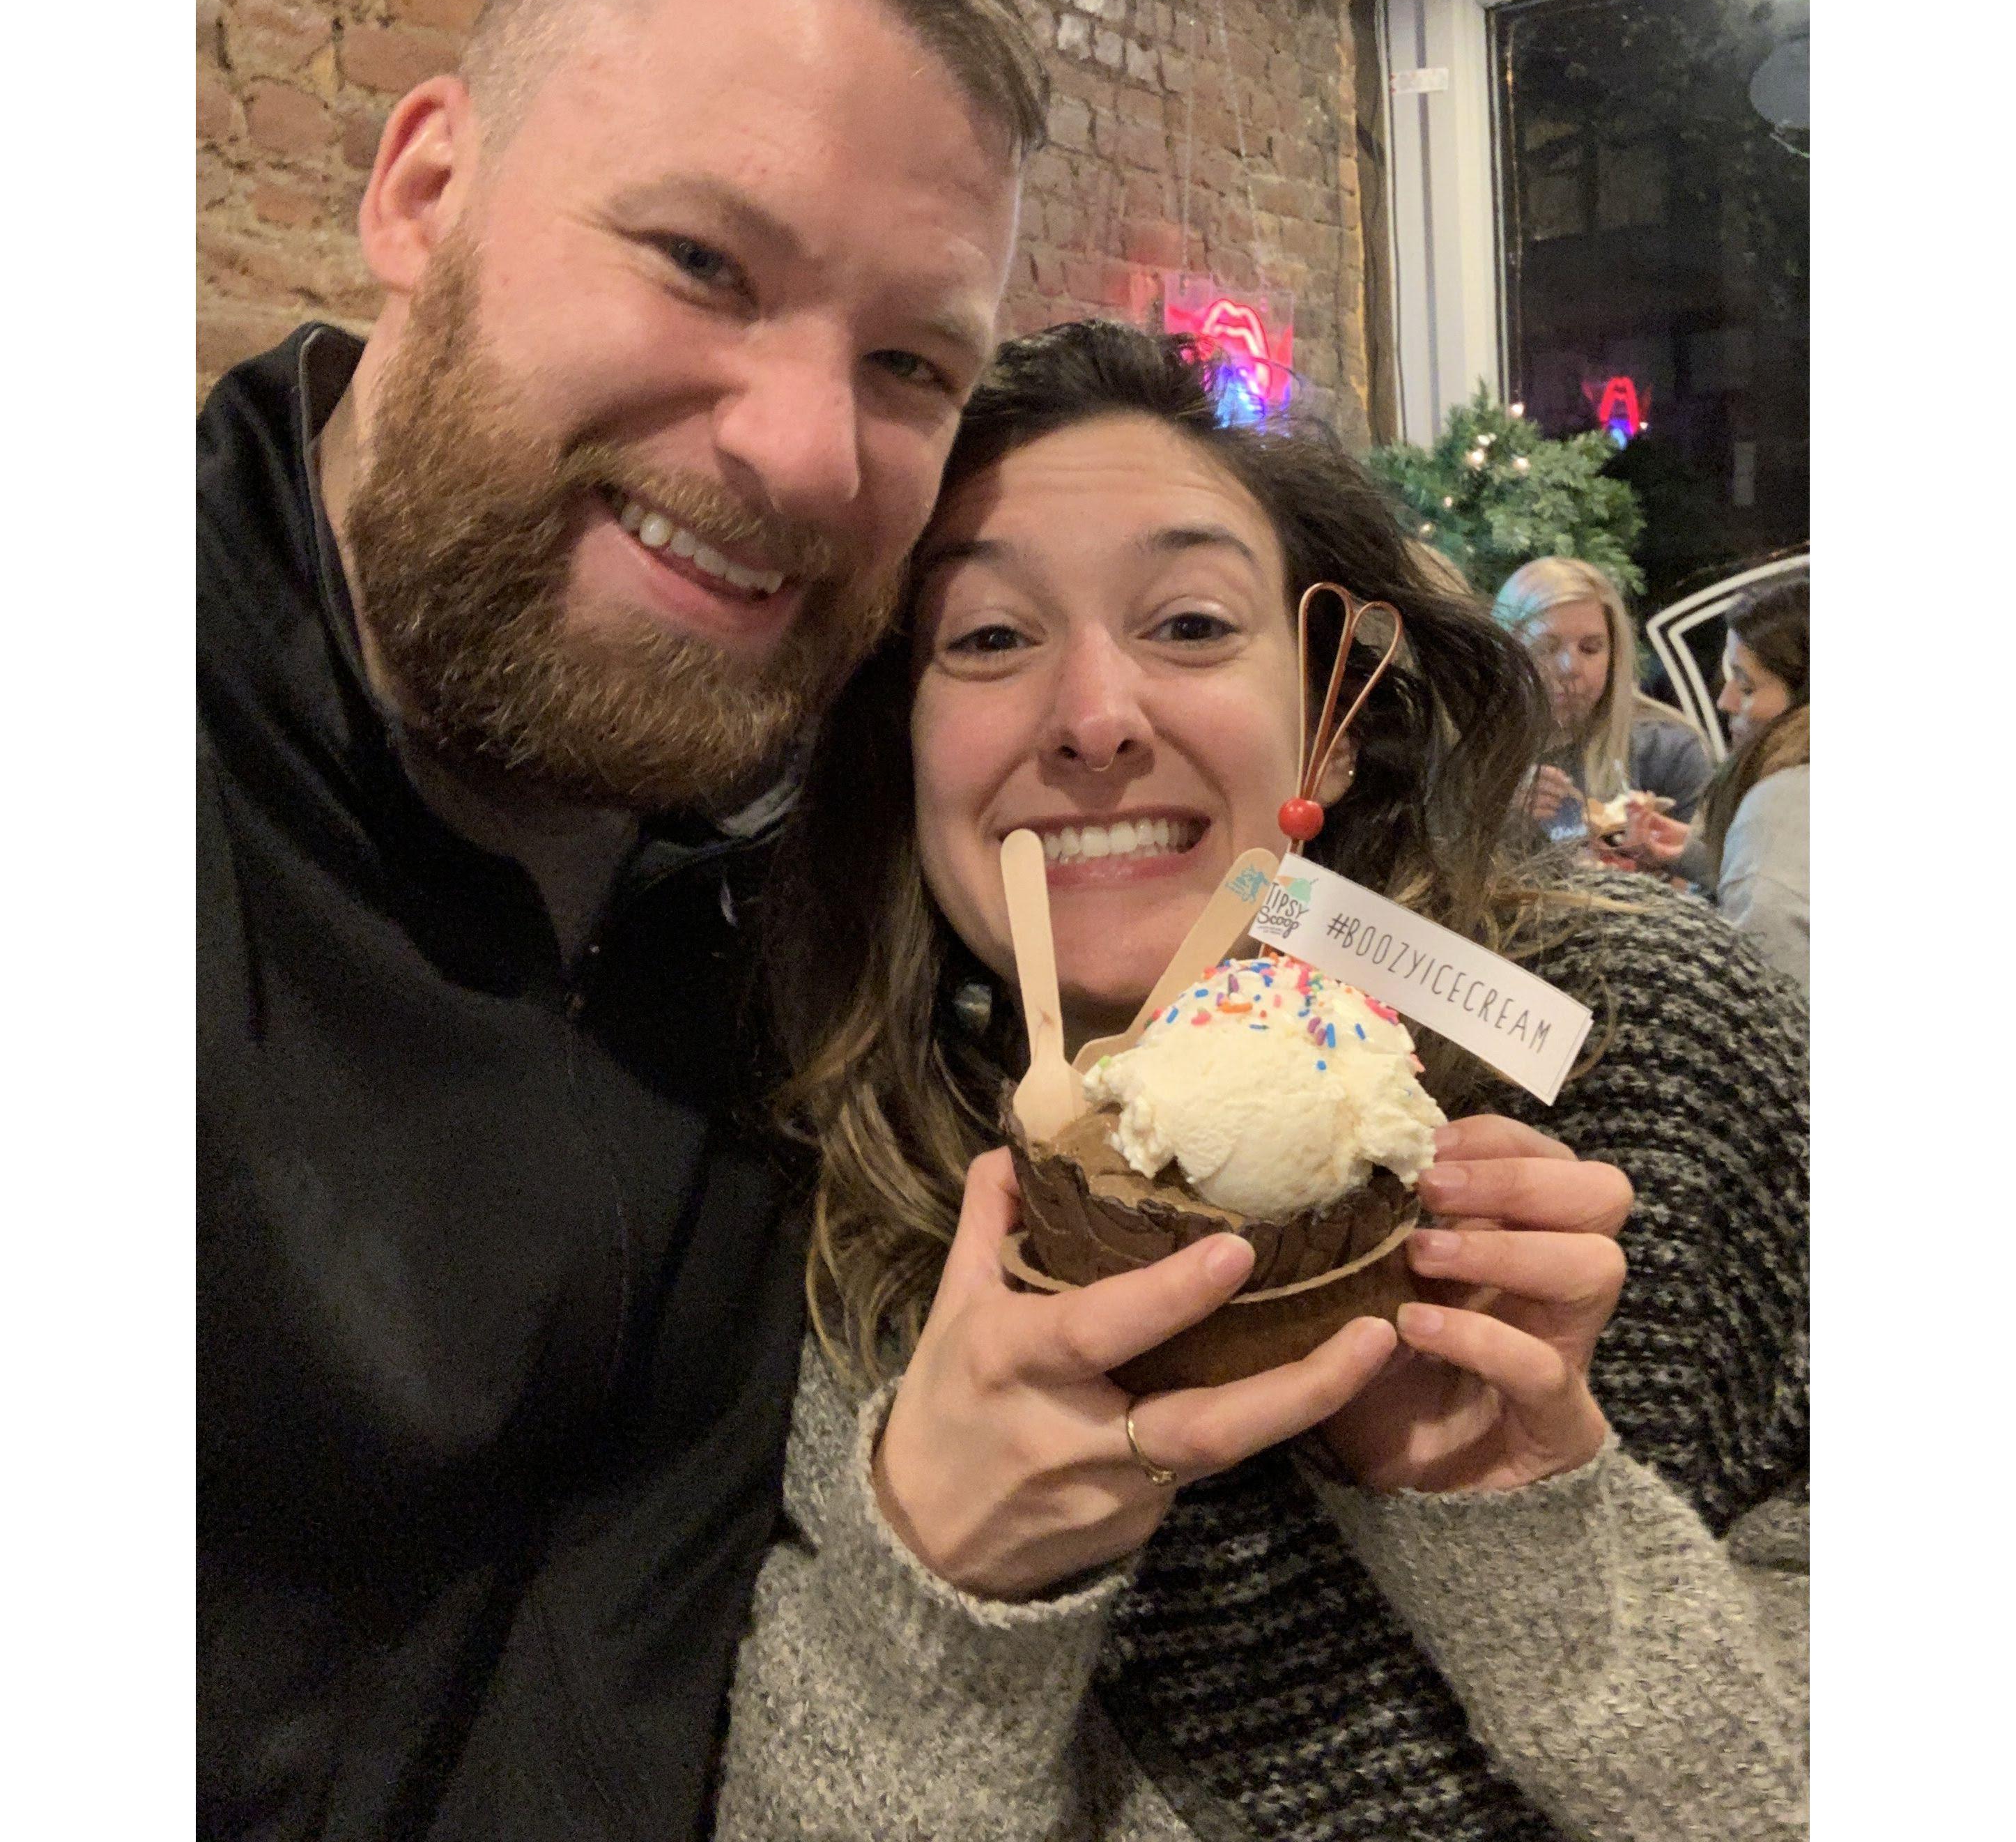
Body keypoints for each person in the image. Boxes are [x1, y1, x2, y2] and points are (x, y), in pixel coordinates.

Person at [198, 0, 1041, 1840]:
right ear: (424, 187)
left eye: (912, 363)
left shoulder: (855, 886)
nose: (802, 451)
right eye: (697, 259)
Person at [715, 323, 1808, 1841]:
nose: (1095, 715)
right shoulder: (846, 1222)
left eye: (1185, 622)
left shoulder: (1644, 1040)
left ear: (1328, 722)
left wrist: (1532, 1532)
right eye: (983, 636)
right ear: (892, 745)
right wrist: (942, 1603)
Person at [1622, 576, 1809, 992]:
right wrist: (1705, 858)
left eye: (1746, 685)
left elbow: (1767, 995)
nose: (1725, 701)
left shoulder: (1781, 803)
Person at [1492, 555, 1713, 845]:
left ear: (1614, 656)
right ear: (1506, 654)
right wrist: (1498, 816)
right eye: (1545, 648)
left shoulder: (1666, 751)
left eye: (1590, 648)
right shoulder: (1466, 752)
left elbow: (1708, 877)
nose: (1570, 667)